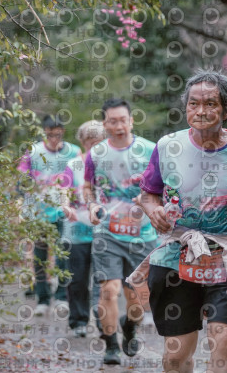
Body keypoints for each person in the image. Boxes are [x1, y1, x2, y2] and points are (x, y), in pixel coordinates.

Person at [129, 70, 227, 373]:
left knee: (224, 341)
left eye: (210, 104)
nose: (200, 111)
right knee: (176, 356)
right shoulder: (167, 147)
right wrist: (153, 211)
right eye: (193, 103)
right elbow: (149, 194)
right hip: (177, 255)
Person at [83, 98, 158, 365]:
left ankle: (130, 325)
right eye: (112, 121)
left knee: (137, 299)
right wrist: (92, 205)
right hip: (108, 233)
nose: (118, 126)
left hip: (143, 235)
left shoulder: (150, 150)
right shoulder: (96, 154)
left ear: (131, 121)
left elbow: (165, 186)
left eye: (123, 120)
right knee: (109, 290)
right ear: (105, 124)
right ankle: (111, 345)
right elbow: (87, 186)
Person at [17, 115, 81, 316]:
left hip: (64, 211)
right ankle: (42, 298)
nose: (54, 138)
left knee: (63, 254)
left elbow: (80, 180)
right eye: (50, 134)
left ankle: (62, 297)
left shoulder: (73, 152)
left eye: (57, 134)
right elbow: (21, 179)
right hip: (39, 212)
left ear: (63, 132)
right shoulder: (33, 152)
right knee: (40, 256)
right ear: (44, 132)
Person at [59, 120, 106, 337]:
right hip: (77, 230)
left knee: (103, 280)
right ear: (82, 142)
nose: (94, 146)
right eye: (90, 142)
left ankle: (103, 321)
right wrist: (65, 206)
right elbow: (64, 190)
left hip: (104, 231)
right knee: (77, 278)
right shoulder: (74, 164)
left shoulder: (109, 164)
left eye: (98, 142)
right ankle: (78, 320)